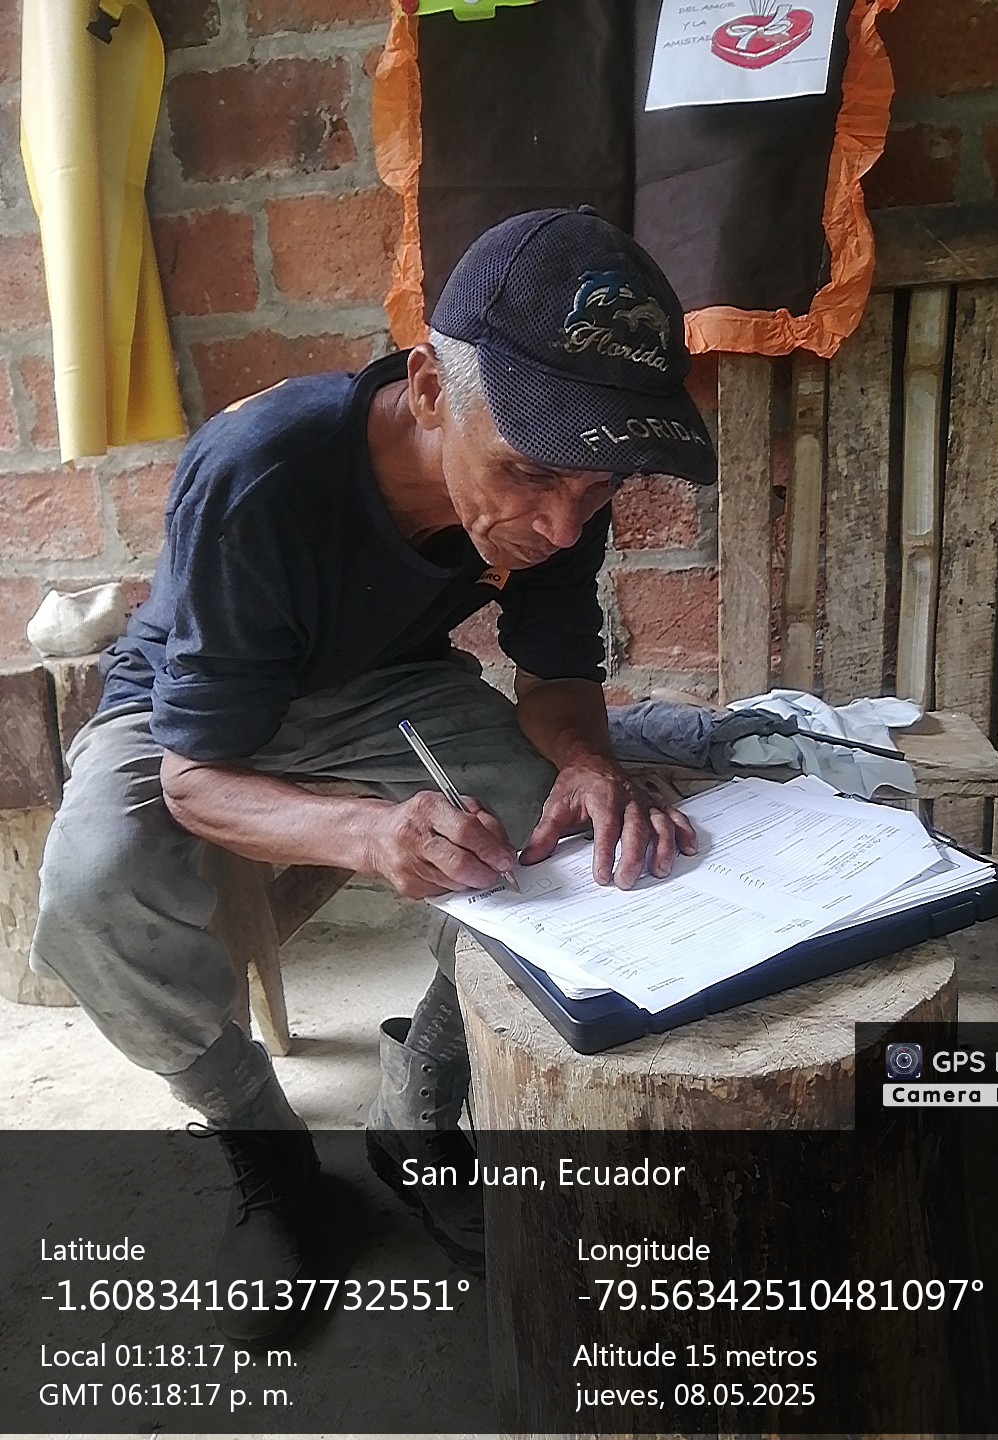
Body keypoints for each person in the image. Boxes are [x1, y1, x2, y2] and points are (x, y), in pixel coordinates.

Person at [29, 206, 717, 1336]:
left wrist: (588, 762)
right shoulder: (261, 469)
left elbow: (554, 679)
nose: (558, 524)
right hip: (190, 712)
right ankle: (266, 1151)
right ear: (431, 389)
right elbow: (196, 778)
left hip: (383, 685)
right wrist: (366, 834)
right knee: (94, 891)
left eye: (594, 490)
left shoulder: (565, 478)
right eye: (527, 472)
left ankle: (421, 1112)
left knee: (559, 856)